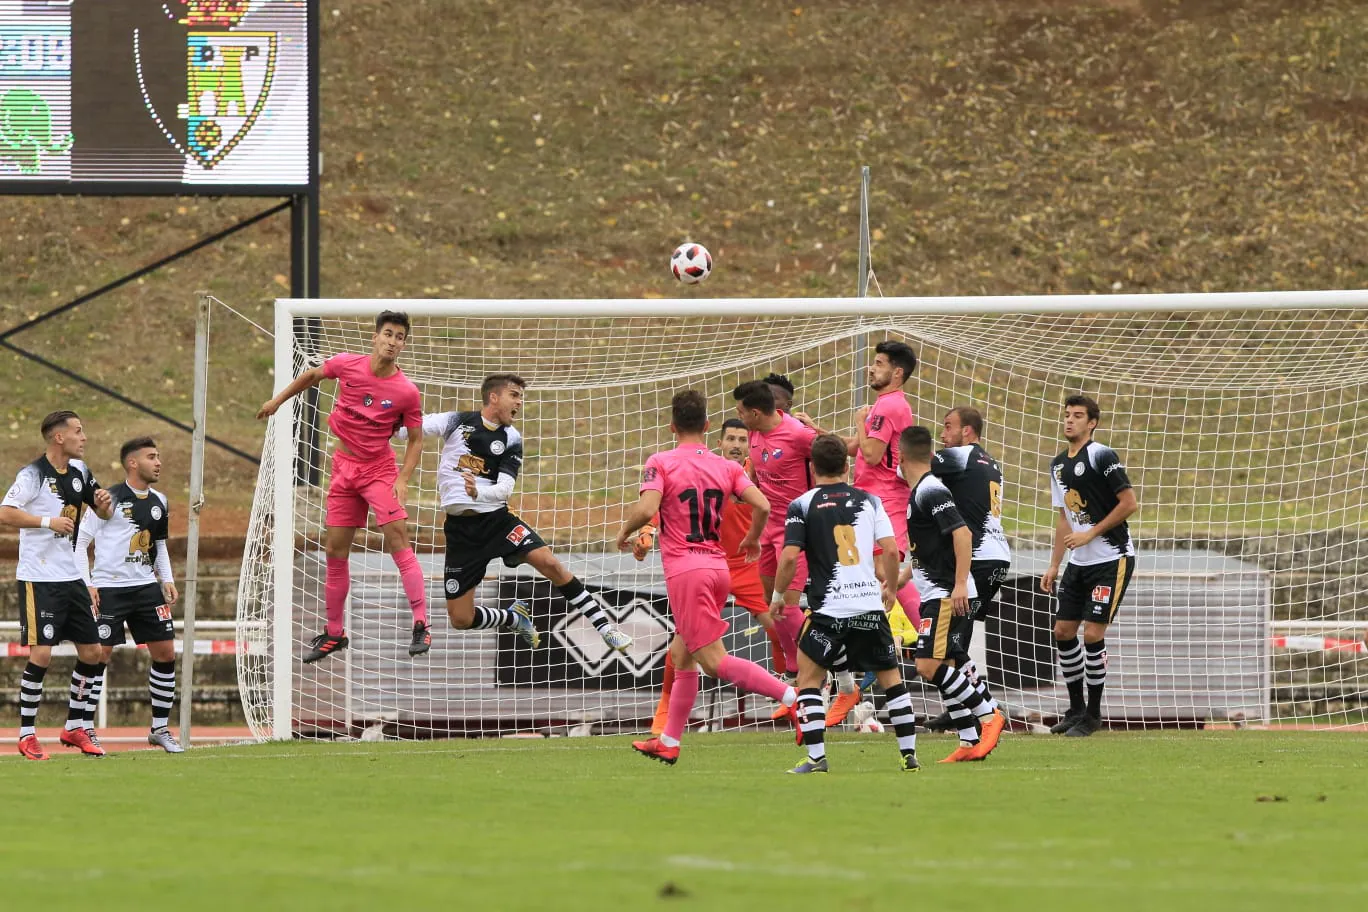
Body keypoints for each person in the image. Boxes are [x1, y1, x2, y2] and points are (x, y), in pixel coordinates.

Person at [617, 390, 799, 766]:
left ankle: (795, 700)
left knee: (715, 662)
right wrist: (753, 538)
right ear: (706, 426)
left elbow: (649, 507)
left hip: (687, 572)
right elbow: (762, 505)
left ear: (671, 426)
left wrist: (624, 532)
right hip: (718, 568)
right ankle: (669, 740)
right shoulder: (728, 467)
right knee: (683, 655)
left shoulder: (660, 462)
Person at [406, 373, 629, 651]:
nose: (519, 402)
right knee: (461, 619)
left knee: (550, 564)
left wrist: (479, 493)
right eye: (514, 395)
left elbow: (505, 489)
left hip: (497, 521)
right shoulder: (456, 421)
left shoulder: (511, 437)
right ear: (494, 397)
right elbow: (411, 429)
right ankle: (513, 618)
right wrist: (387, 415)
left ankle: (606, 628)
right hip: (461, 532)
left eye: (521, 396)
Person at [256, 311, 430, 662]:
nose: (393, 342)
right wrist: (277, 401)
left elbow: (415, 439)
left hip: (379, 469)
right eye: (388, 334)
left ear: (403, 345)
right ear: (375, 337)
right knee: (335, 550)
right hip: (343, 468)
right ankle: (335, 633)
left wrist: (403, 479)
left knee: (397, 538)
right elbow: (311, 375)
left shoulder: (406, 392)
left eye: (399, 337)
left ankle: (421, 624)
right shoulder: (348, 365)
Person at [773, 434, 921, 774]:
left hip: (828, 610)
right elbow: (888, 546)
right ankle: (908, 754)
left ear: (812, 467)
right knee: (891, 680)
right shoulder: (870, 500)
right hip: (868, 605)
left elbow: (790, 558)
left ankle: (816, 759)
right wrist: (892, 590)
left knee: (808, 679)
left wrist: (779, 597)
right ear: (846, 465)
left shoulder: (803, 504)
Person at [644, 418, 785, 736]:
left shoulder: (756, 473)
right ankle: (665, 715)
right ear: (718, 442)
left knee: (777, 626)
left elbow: (769, 504)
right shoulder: (707, 468)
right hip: (709, 564)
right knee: (681, 647)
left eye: (742, 439)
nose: (736, 444)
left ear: (750, 444)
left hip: (744, 563)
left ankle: (792, 690)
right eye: (731, 438)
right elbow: (664, 502)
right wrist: (648, 528)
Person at [0, 410, 114, 760]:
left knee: (94, 652)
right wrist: (48, 521)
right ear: (58, 437)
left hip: (71, 577)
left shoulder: (81, 472)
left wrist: (105, 507)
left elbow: (101, 512)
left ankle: (75, 726)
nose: (85, 437)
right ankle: (27, 734)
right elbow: (5, 512)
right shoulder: (33, 474)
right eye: (79, 431)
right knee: (42, 654)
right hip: (39, 577)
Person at [900, 426, 1006, 763]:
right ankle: (968, 740)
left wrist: (960, 584)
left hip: (947, 592)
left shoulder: (931, 490)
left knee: (928, 666)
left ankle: (989, 715)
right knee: (948, 662)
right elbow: (926, 548)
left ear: (901, 457)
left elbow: (961, 533)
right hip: (938, 588)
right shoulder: (920, 491)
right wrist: (899, 579)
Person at [76, 437, 184, 753]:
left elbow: (159, 544)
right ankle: (85, 727)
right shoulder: (107, 499)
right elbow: (80, 543)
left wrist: (167, 579)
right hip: (109, 588)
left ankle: (160, 729)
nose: (158, 462)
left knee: (165, 652)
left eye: (159, 456)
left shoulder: (160, 501)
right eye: (152, 456)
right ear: (133, 463)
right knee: (99, 655)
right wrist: (88, 585)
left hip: (146, 588)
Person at [1040, 395, 1138, 737]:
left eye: (1077, 416)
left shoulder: (1101, 455)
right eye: (1066, 415)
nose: (1069, 421)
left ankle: (1093, 716)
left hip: (1112, 558)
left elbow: (1129, 503)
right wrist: (1054, 565)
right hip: (1078, 563)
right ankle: (1076, 709)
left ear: (1091, 422)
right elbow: (1065, 517)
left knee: (1093, 633)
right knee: (1063, 632)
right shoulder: (1056, 465)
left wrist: (1091, 534)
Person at [922, 406, 1012, 739]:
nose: (943, 434)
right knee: (958, 636)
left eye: (948, 427)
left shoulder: (960, 457)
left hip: (979, 558)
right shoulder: (989, 461)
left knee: (950, 641)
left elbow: (914, 463)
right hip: (993, 556)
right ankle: (964, 709)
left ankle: (985, 709)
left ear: (968, 432)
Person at [731, 380, 815, 682]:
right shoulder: (754, 433)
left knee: (789, 606)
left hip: (797, 529)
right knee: (774, 605)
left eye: (741, 412)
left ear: (755, 412)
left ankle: (822, 665)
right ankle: (794, 668)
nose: (738, 416)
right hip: (766, 529)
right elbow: (754, 468)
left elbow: (834, 458)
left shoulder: (798, 435)